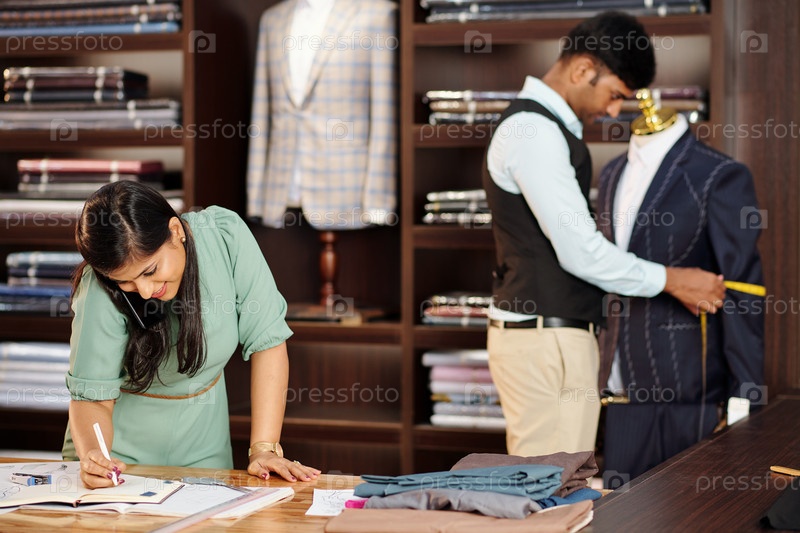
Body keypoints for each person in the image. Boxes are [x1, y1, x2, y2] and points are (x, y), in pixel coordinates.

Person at [482, 11, 726, 457]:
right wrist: (675, 280)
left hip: (549, 337)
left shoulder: (545, 128)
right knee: (548, 491)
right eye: (614, 95)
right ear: (582, 70)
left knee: (556, 484)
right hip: (547, 341)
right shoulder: (534, 132)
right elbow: (581, 252)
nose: (613, 112)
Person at [62, 181, 320, 488]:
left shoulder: (225, 237)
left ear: (175, 231)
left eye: (150, 271)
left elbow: (268, 341)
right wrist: (95, 457)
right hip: (118, 449)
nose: (144, 291)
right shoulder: (98, 287)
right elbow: (92, 398)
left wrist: (263, 448)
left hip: (205, 442)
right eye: (125, 282)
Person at [596, 103, 765, 483]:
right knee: (618, 511)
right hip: (621, 390)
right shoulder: (611, 172)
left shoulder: (718, 174)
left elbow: (742, 290)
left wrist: (746, 397)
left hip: (690, 392)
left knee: (696, 509)